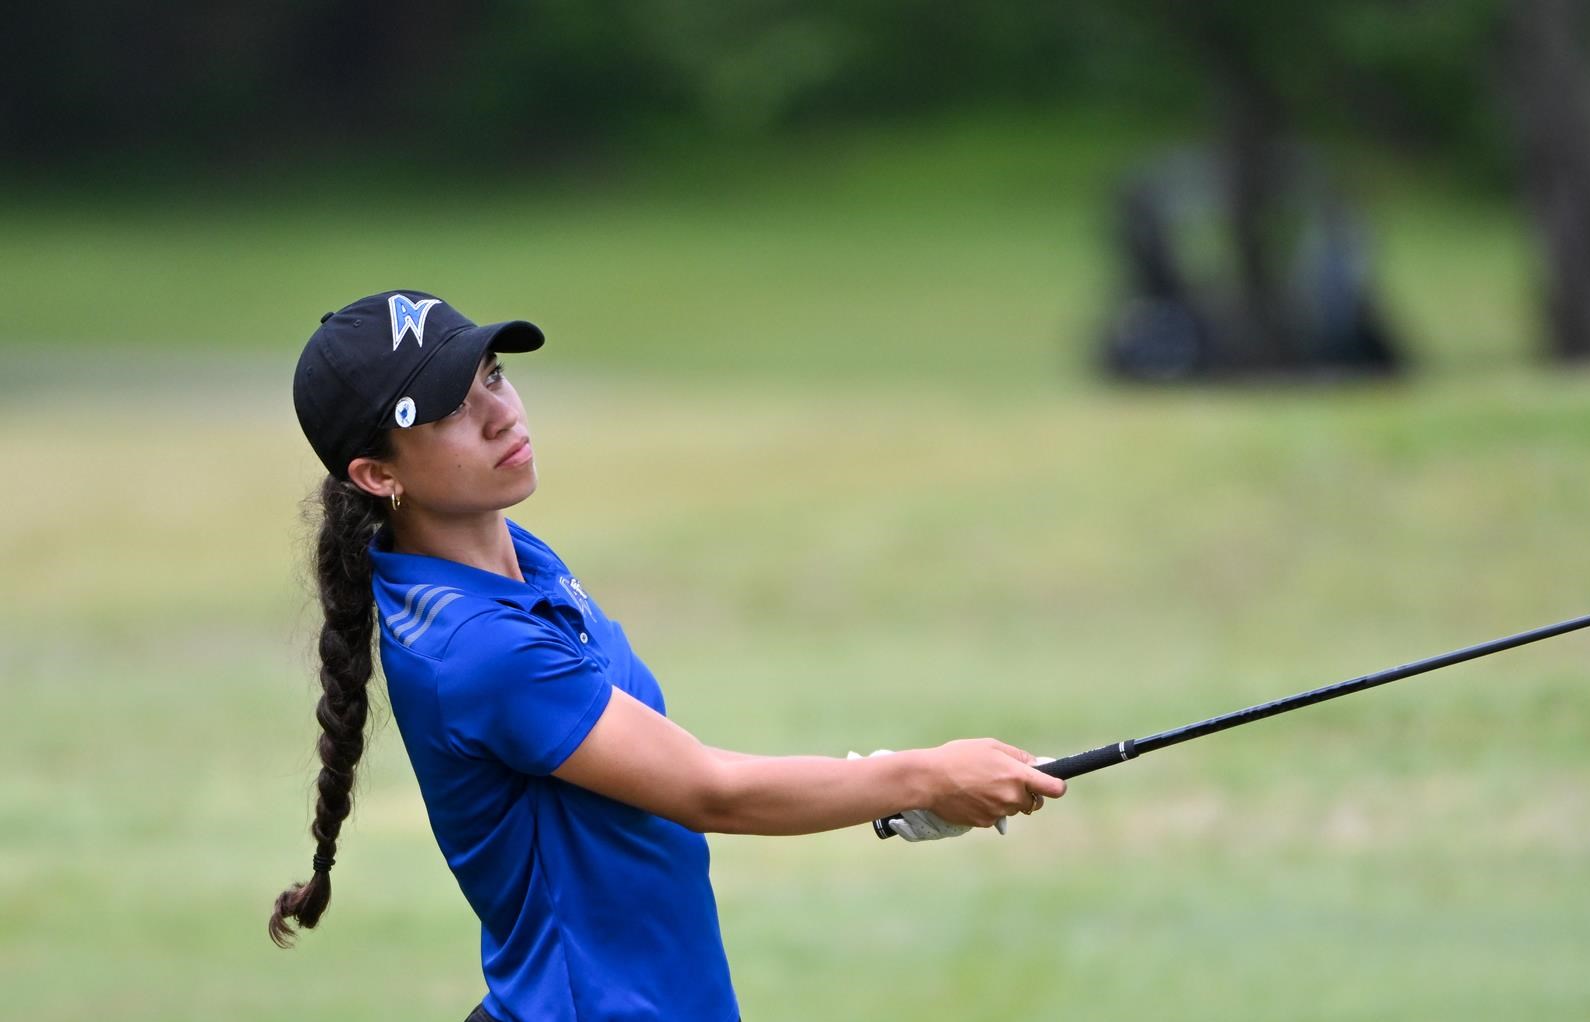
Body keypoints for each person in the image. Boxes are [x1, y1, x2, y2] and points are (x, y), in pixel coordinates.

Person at [270, 291, 1066, 1021]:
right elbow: (708, 792)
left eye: (494, 375)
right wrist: (922, 775)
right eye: (448, 409)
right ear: (377, 475)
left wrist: (883, 783)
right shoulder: (476, 647)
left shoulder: (507, 555)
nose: (500, 413)